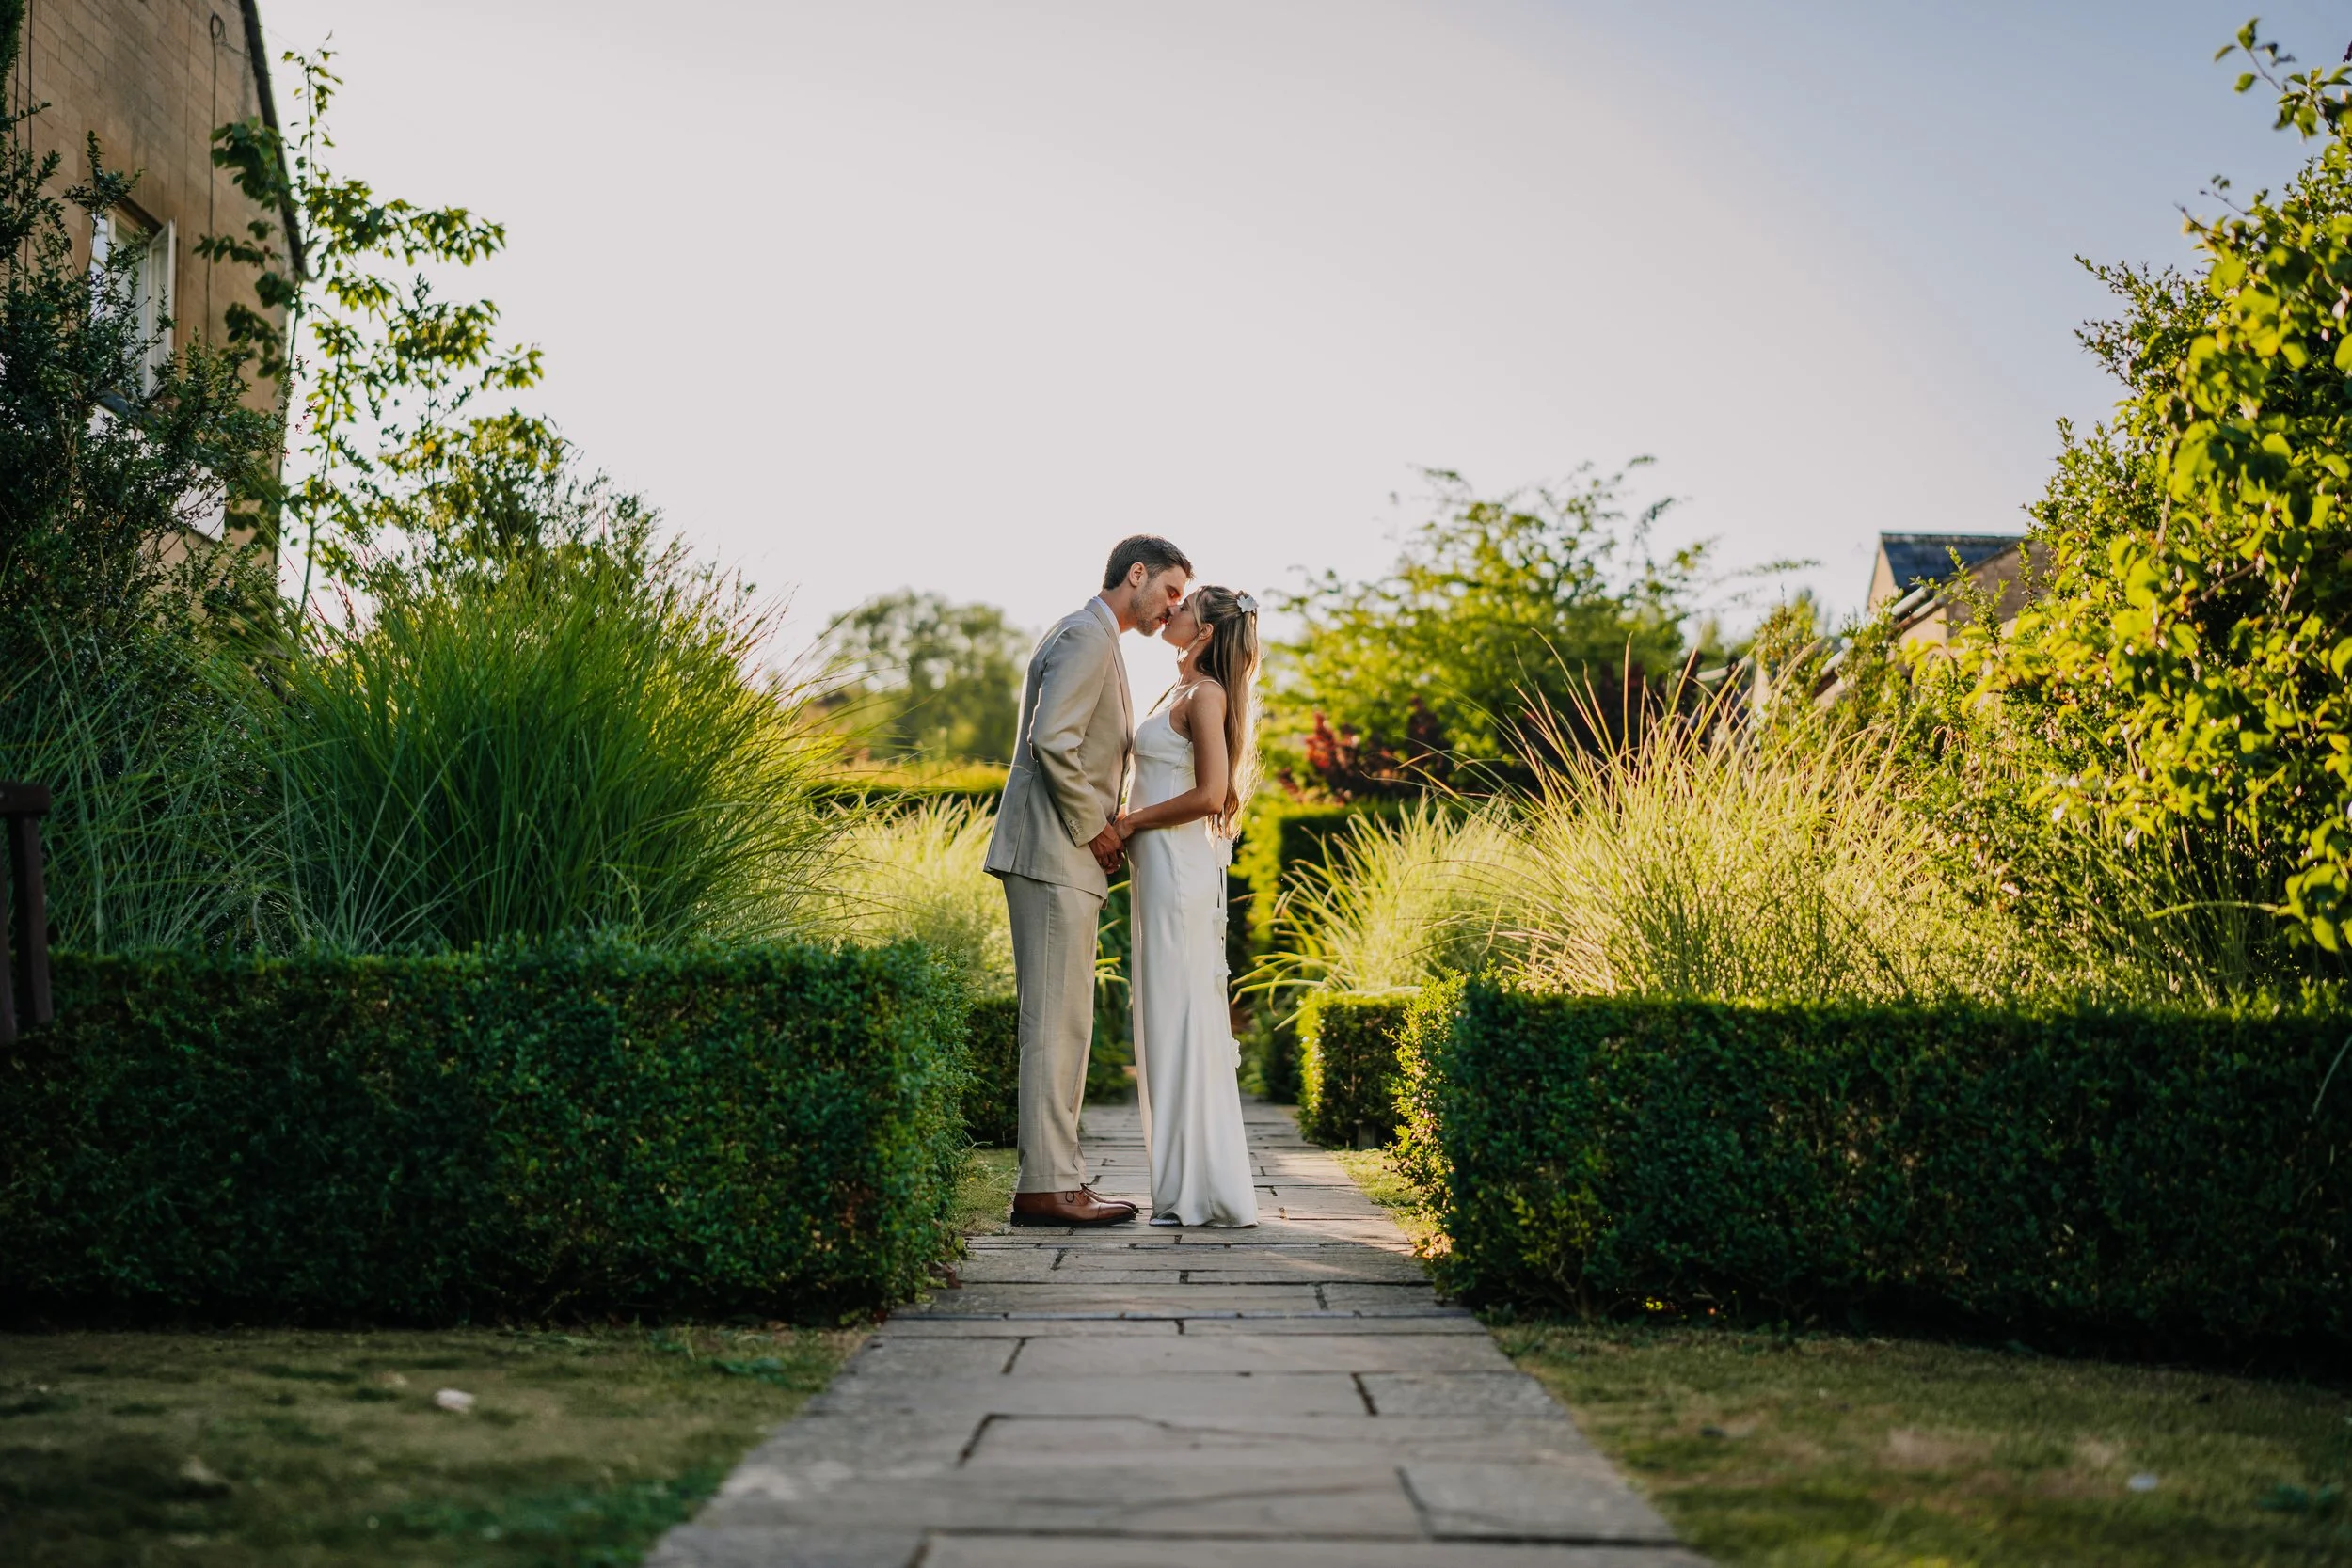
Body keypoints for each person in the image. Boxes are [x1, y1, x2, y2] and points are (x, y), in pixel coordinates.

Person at [985, 534, 1190, 1227]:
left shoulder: (1091, 632)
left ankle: (1058, 1177)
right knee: (1055, 1022)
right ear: (1136, 573)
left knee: (1064, 1019)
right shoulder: (1087, 634)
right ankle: (1048, 1186)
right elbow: (1052, 742)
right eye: (1170, 591)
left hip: (1054, 854)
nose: (1173, 608)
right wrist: (1097, 827)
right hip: (1052, 852)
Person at [1113, 585, 1262, 1227]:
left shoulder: (1206, 696)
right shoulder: (1174, 691)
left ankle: (1197, 1189)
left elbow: (1211, 792)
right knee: (1165, 1019)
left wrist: (1131, 822)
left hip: (1178, 872)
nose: (1171, 610)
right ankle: (1178, 1185)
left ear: (1204, 631)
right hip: (1158, 870)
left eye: (1185, 606)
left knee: (1179, 1020)